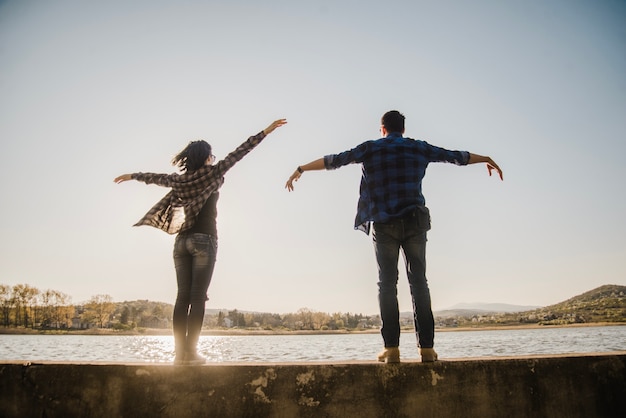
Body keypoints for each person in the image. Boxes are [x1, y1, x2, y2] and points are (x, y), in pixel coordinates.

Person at [285, 110, 502, 363]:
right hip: (415, 222)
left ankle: (391, 350)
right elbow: (456, 157)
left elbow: (335, 160)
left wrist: (301, 168)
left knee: (387, 285)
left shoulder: (370, 148)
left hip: (384, 223)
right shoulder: (419, 148)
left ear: (382, 129)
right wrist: (485, 158)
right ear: (403, 129)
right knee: (419, 283)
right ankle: (427, 350)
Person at [115, 118, 287, 365]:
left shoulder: (180, 180)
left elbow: (155, 177)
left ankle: (179, 355)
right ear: (207, 157)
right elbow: (241, 152)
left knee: (181, 297)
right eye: (212, 156)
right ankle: (192, 354)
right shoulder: (213, 173)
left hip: (181, 243)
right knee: (197, 298)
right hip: (204, 241)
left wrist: (133, 175)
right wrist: (266, 131)